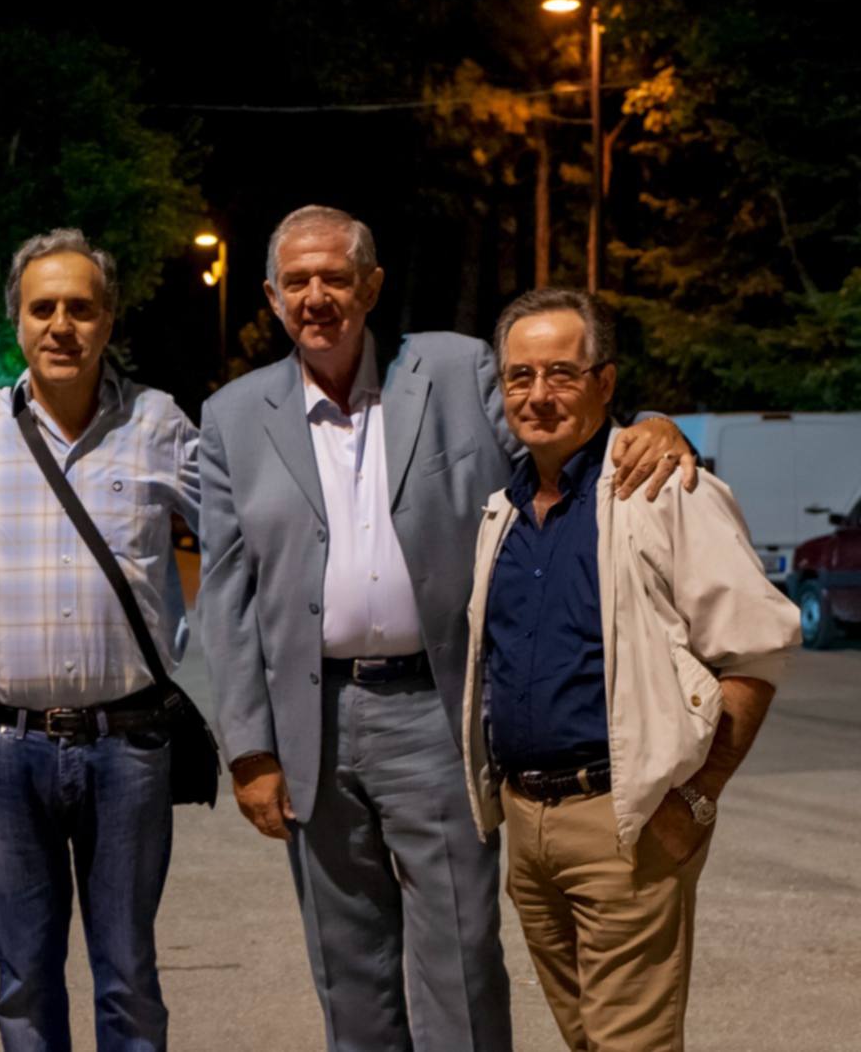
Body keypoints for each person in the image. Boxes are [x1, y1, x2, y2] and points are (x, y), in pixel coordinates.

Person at [196, 205, 697, 1051]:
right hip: (311, 721)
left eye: (335, 278)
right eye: (296, 282)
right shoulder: (233, 416)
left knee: (459, 957)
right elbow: (226, 593)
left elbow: (559, 431)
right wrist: (249, 749)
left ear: (371, 286)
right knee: (346, 964)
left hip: (437, 708)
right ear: (272, 297)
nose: (317, 297)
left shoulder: (456, 370)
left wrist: (647, 427)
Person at [460, 287, 799, 1051]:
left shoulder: (663, 490)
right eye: (520, 376)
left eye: (561, 373)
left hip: (626, 820)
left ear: (605, 382)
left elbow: (756, 649)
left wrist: (696, 797)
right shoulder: (503, 511)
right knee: (588, 1039)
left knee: (630, 1044)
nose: (538, 395)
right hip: (528, 827)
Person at [0, 228, 200, 1052]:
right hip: (2, 748)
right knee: (23, 978)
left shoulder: (158, 423)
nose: (62, 325)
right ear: (19, 321)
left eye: (81, 308)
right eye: (43, 308)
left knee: (128, 974)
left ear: (109, 320)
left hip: (129, 744)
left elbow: (244, 531)